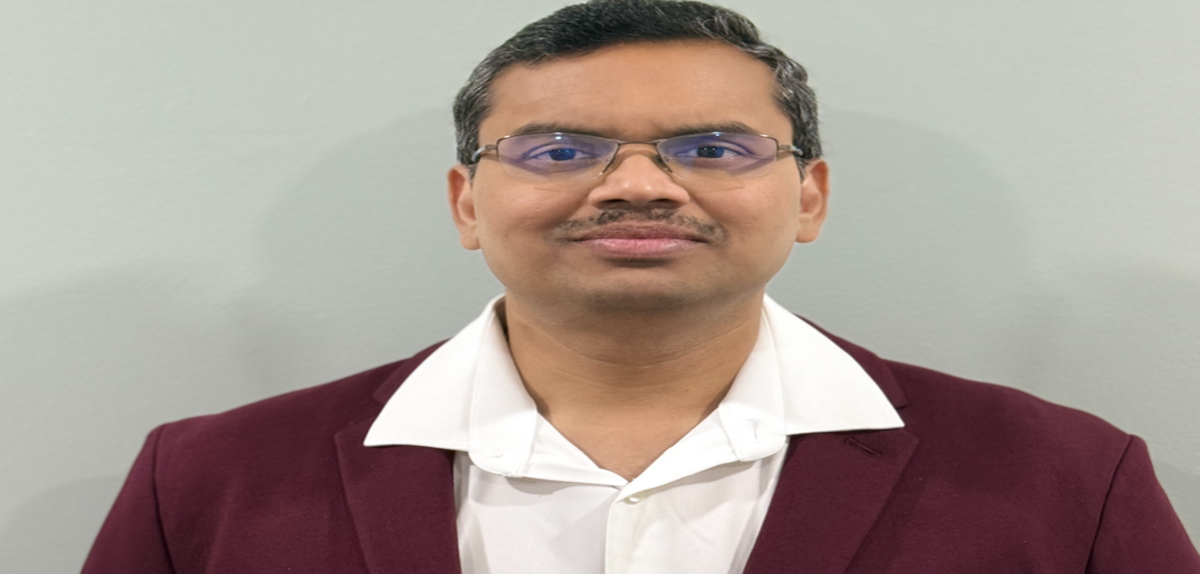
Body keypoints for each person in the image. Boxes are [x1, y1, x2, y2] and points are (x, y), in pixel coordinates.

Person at [83, 0, 1199, 572]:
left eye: (712, 148)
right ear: (467, 203)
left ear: (808, 196)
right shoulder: (210, 482)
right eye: (558, 150)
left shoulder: (1065, 478)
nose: (636, 186)